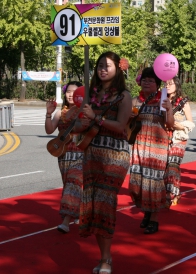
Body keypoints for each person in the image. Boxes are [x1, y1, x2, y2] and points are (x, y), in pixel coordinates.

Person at [78, 52, 132, 274]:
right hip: (92, 152)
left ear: (117, 69)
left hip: (115, 154)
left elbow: (121, 126)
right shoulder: (92, 93)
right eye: (99, 65)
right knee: (93, 203)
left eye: (107, 66)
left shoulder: (123, 95)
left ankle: (106, 260)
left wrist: (95, 118)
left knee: (104, 202)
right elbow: (84, 123)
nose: (102, 69)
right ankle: (104, 257)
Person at [128, 67, 174, 235]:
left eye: (151, 80)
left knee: (153, 183)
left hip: (157, 146)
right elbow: (126, 122)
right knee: (138, 181)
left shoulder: (163, 100)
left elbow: (170, 124)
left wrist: (169, 110)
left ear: (157, 84)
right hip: (139, 145)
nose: (146, 83)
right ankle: (147, 212)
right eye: (144, 80)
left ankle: (154, 219)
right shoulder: (135, 101)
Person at [45, 81, 83, 234]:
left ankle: (66, 221)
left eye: (75, 92)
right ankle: (77, 210)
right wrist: (48, 113)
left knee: (72, 184)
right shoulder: (61, 113)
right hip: (63, 154)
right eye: (68, 91)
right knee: (69, 184)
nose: (71, 94)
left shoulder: (84, 112)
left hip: (81, 153)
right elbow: (49, 130)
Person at [164, 76, 194, 207]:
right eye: (166, 83)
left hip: (178, 137)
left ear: (176, 85)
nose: (168, 86)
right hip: (164, 136)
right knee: (164, 165)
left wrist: (179, 125)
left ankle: (172, 194)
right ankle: (167, 192)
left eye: (170, 84)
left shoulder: (183, 102)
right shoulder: (162, 100)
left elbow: (191, 123)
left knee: (173, 165)